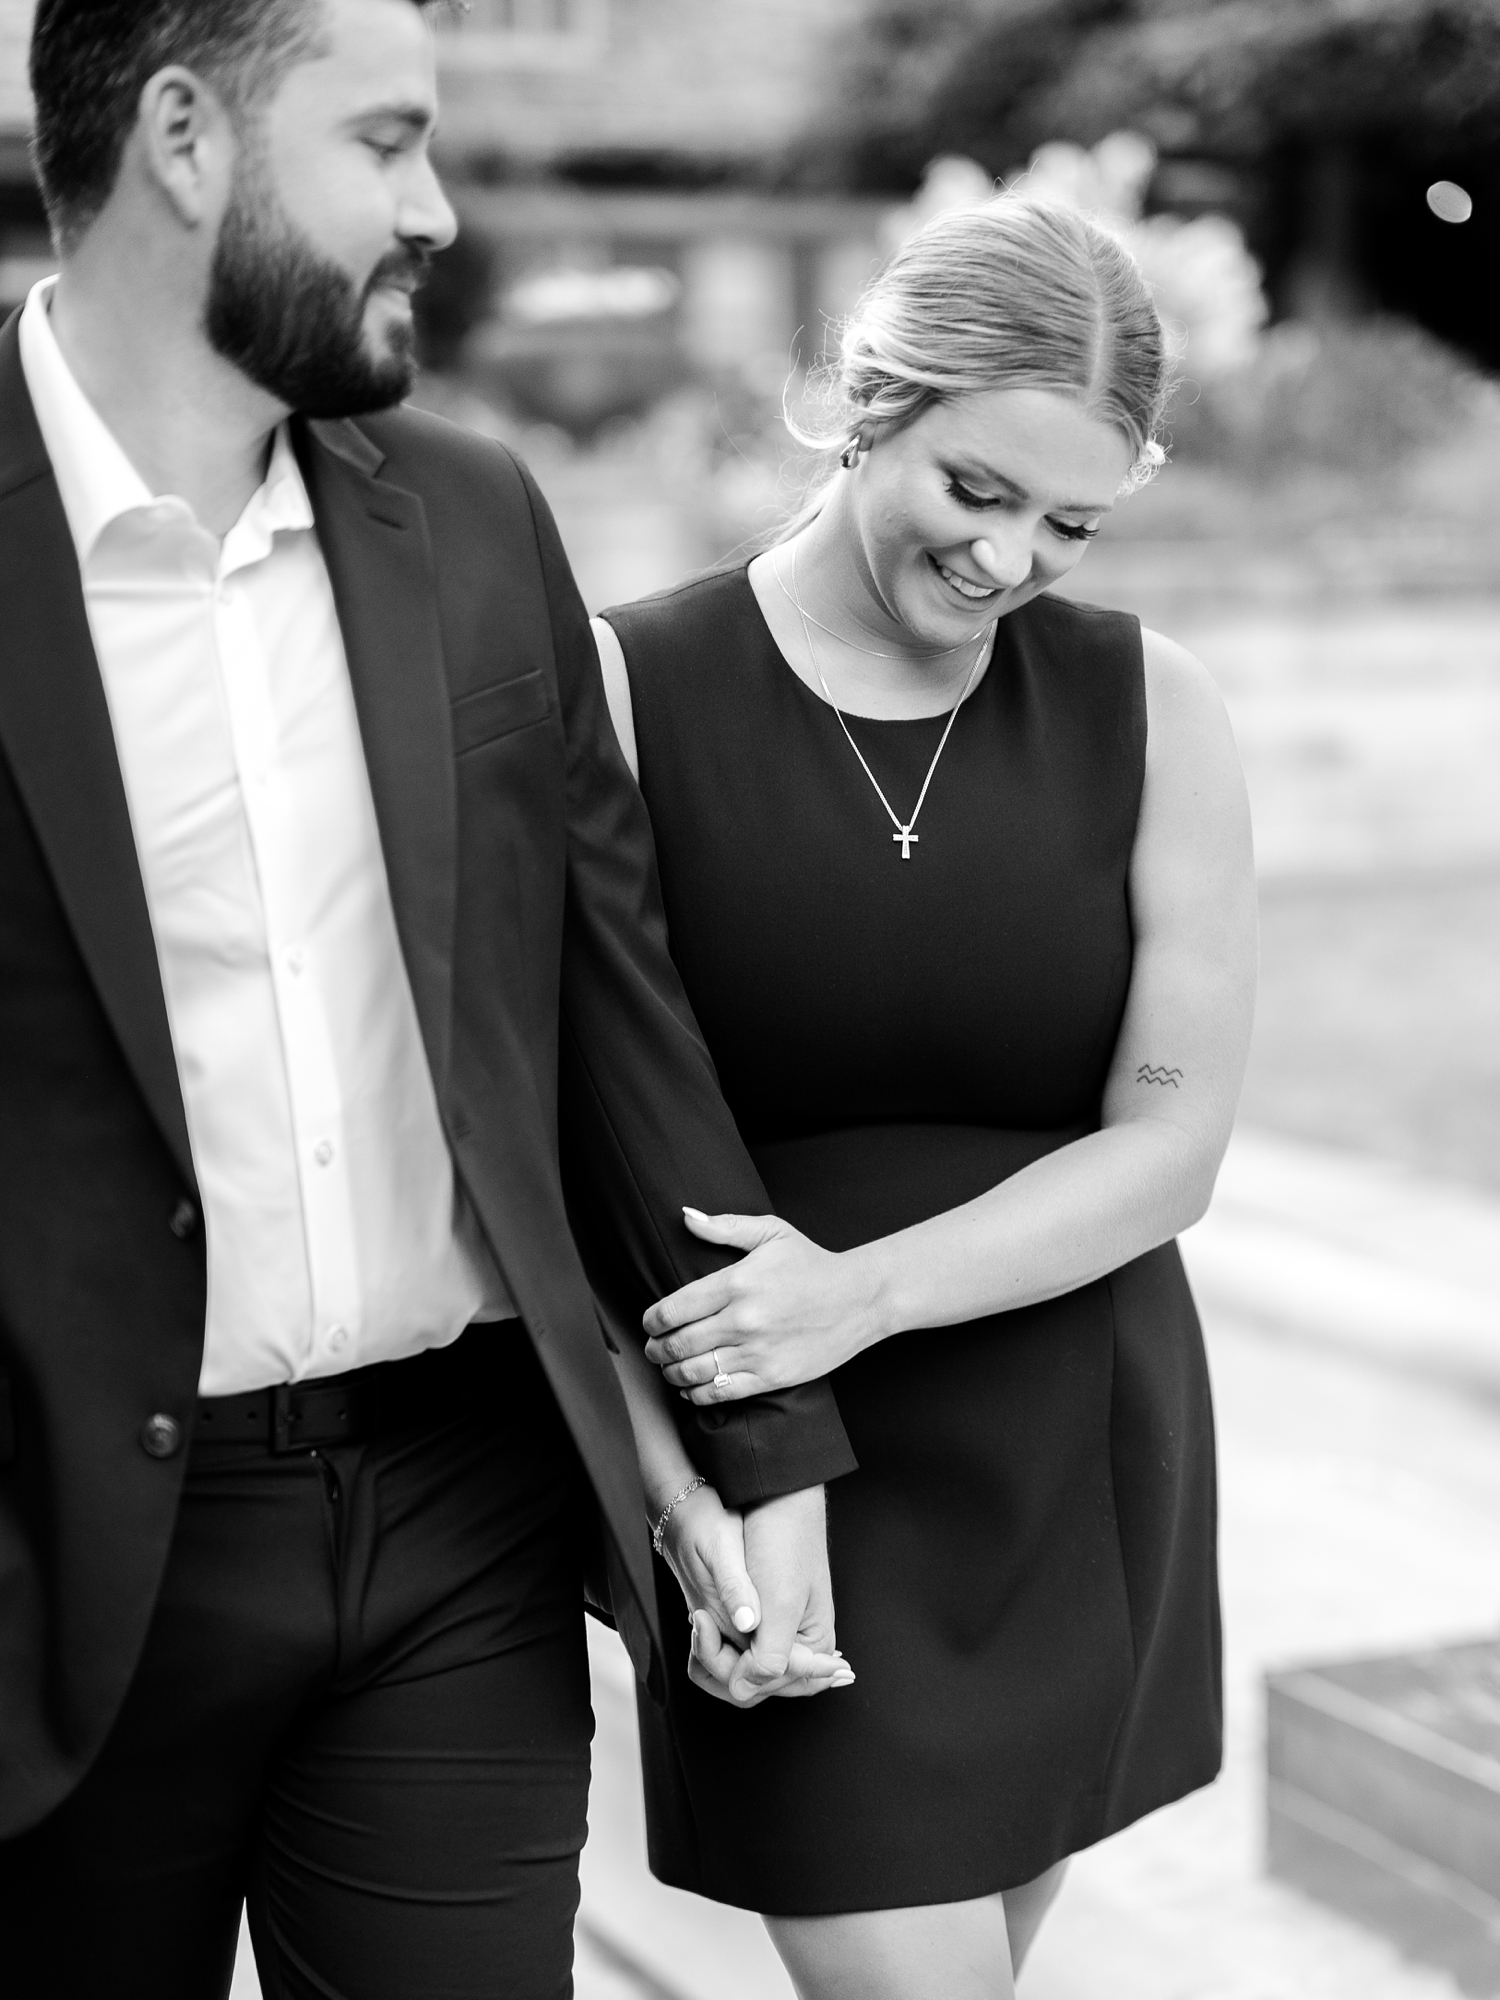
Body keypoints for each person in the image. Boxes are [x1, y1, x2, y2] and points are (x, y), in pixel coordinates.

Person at [0, 4, 856, 1996]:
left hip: (461, 1521)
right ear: (187, 139)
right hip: (60, 1568)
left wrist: (770, 1444)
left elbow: (614, 1014)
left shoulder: (471, 523)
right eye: (385, 142)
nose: (438, 209)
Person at [591, 196, 1258, 1999]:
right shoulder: (626, 690)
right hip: (782, 1469)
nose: (1011, 561)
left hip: (1072, 1450)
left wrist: (856, 1292)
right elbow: (566, 1140)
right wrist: (691, 1491)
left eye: (1071, 520)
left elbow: (1170, 1148)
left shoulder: (1154, 710)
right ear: (866, 405)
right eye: (976, 490)